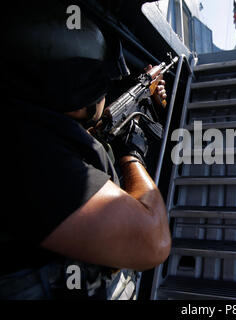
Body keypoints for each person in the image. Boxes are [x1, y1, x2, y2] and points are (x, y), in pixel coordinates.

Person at [0, 1, 171, 300]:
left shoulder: (28, 123)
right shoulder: (29, 151)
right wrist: (131, 154)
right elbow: (153, 240)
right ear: (79, 97)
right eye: (102, 86)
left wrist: (152, 101)